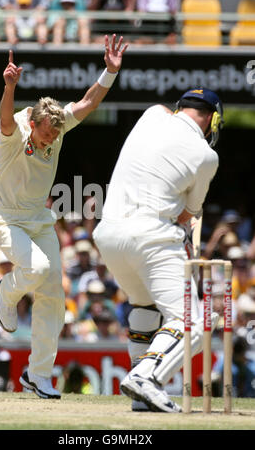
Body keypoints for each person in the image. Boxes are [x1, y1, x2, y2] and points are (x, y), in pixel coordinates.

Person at [0, 34, 128, 399]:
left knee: (53, 294)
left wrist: (109, 73)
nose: (51, 140)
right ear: (33, 125)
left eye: (55, 134)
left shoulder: (58, 124)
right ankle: (7, 290)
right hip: (5, 218)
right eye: (47, 134)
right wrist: (9, 87)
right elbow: (5, 116)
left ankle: (39, 375)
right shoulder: (14, 132)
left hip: (40, 218)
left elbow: (86, 102)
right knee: (34, 271)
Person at [93, 87, 224, 412]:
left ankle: (141, 397)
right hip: (150, 235)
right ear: (213, 119)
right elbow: (186, 215)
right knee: (191, 322)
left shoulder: (150, 115)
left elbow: (163, 111)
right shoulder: (207, 156)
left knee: (145, 309)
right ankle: (146, 378)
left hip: (108, 235)